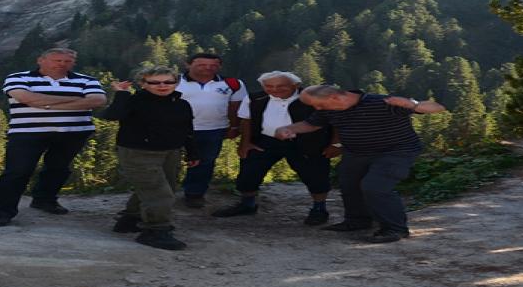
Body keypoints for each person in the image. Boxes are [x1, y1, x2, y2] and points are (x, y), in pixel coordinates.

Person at [274, 84, 445, 243]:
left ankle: (395, 228)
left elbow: (437, 108)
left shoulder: (382, 102)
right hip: (356, 152)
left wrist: (412, 104)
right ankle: (357, 221)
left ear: (334, 97)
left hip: (395, 152)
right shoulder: (329, 109)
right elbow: (311, 124)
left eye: (318, 105)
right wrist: (289, 129)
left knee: (375, 186)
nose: (317, 109)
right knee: (350, 184)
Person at [0, 47, 106, 227]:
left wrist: (44, 103)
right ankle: (0, 213)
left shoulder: (87, 80)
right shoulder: (18, 77)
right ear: (41, 60)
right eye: (57, 60)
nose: (62, 64)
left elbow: (97, 101)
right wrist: (75, 101)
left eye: (67, 61)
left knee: (59, 168)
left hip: (74, 133)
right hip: (27, 133)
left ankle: (44, 200)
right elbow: (25, 97)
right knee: (18, 171)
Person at [211, 71, 339, 225]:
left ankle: (319, 209)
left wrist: (335, 144)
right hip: (266, 140)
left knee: (315, 174)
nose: (275, 89)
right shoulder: (255, 98)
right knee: (249, 172)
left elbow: (336, 122)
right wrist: (245, 143)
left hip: (307, 142)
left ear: (296, 85)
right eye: (269, 86)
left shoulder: (312, 98)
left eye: (281, 86)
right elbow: (247, 121)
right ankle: (247, 204)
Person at [102, 66, 199, 251]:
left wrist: (192, 152)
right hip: (138, 152)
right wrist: (122, 94)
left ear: (176, 83)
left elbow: (187, 130)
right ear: (143, 84)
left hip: (171, 152)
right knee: (159, 193)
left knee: (163, 188)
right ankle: (155, 231)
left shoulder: (181, 104)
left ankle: (131, 219)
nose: (162, 86)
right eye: (154, 82)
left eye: (168, 81)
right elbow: (111, 116)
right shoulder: (133, 101)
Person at [175, 53, 247, 208]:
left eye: (213, 65)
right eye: (202, 64)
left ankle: (194, 194)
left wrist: (234, 127)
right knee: (168, 161)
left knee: (205, 163)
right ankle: (162, 193)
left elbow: (236, 106)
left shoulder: (233, 83)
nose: (208, 68)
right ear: (188, 65)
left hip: (213, 129)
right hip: (175, 129)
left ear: (219, 66)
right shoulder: (173, 81)